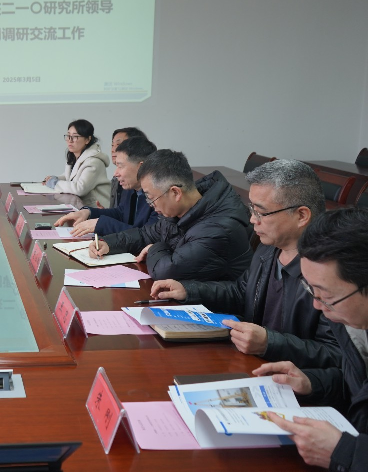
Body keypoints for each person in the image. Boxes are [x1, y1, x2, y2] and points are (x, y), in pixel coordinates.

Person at [149, 160, 339, 368]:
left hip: (292, 380)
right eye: (252, 209)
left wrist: (269, 343)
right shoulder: (268, 249)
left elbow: (337, 356)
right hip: (252, 364)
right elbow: (242, 293)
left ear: (301, 215)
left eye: (261, 212)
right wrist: (189, 290)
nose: (252, 220)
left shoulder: (332, 273)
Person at [252, 208, 368, 471]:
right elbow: (359, 389)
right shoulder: (349, 321)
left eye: (326, 295)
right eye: (310, 289)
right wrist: (312, 382)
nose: (317, 305)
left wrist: (345, 453)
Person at [89, 149, 253, 281]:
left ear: (175, 192)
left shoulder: (219, 228)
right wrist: (108, 243)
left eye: (151, 198)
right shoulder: (182, 210)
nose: (150, 205)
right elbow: (146, 234)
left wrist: (155, 247)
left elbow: (167, 271)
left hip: (212, 309)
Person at [54, 136, 159, 237]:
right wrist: (88, 212)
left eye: (120, 166)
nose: (115, 173)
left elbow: (145, 235)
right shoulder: (131, 188)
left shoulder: (159, 196)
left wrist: (102, 224)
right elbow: (120, 213)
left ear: (141, 167)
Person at [43, 119, 110, 207]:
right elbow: (69, 177)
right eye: (68, 135)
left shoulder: (93, 162)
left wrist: (55, 183)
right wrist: (55, 178)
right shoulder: (75, 156)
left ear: (87, 139)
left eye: (75, 136)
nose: (70, 140)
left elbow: (80, 188)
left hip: (97, 208)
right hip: (80, 206)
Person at [109, 127, 148, 208]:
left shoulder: (150, 191)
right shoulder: (117, 179)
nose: (113, 150)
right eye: (112, 145)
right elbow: (120, 212)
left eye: (119, 145)